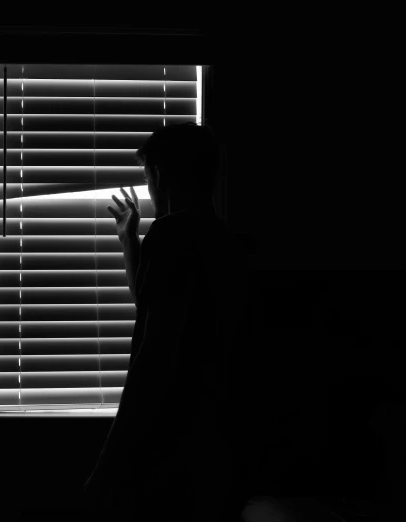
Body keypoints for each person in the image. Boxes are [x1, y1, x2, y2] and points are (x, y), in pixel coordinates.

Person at [82, 122, 249, 521]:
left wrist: (108, 462)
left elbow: (153, 358)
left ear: (160, 173)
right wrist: (130, 241)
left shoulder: (171, 236)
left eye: (147, 176)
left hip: (173, 441)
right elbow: (153, 303)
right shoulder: (220, 239)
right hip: (216, 441)